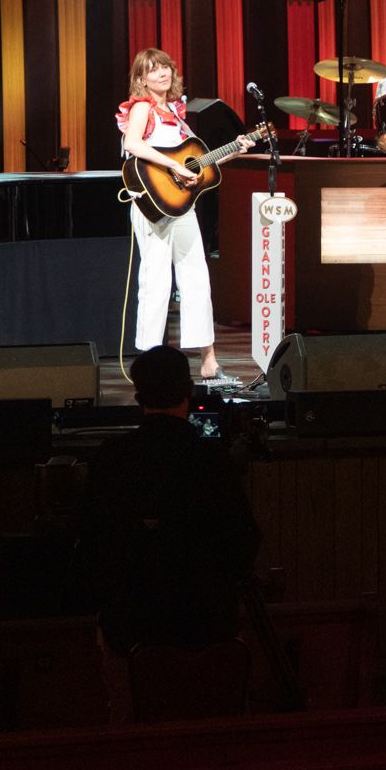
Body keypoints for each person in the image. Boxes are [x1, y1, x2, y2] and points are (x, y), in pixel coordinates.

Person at [80, 346, 262, 655]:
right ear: (189, 392)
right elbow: (244, 540)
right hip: (206, 629)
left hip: (129, 630)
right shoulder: (211, 461)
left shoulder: (112, 458)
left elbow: (92, 541)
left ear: (138, 398)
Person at [117, 48, 251, 381]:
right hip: (152, 202)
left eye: (165, 67)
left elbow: (197, 166)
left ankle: (209, 359)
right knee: (156, 279)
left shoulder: (177, 114)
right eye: (153, 70)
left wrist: (233, 150)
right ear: (141, 79)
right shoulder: (142, 108)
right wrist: (174, 165)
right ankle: (150, 361)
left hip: (181, 204)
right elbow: (133, 145)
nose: (161, 73)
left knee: (196, 276)